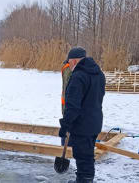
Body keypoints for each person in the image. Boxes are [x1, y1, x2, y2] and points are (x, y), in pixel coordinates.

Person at [58, 47, 105, 183]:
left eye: (69, 63)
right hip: (95, 121)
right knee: (88, 155)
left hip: (82, 125)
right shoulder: (99, 74)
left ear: (74, 61)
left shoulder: (78, 77)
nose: (69, 66)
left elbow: (72, 107)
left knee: (82, 156)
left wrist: (64, 126)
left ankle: (84, 180)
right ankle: (84, 179)